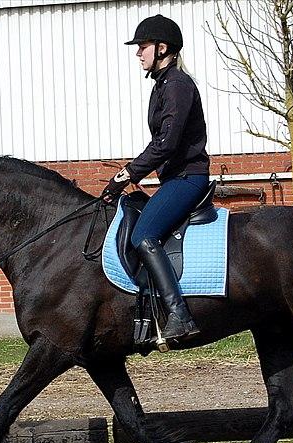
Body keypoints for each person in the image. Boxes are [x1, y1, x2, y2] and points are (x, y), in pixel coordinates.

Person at [101, 14, 210, 342]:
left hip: (188, 178)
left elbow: (166, 142)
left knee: (144, 234)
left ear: (163, 49)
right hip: (174, 178)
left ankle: (179, 315)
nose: (138, 53)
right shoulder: (163, 85)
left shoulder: (177, 84)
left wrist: (127, 174)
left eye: (143, 46)